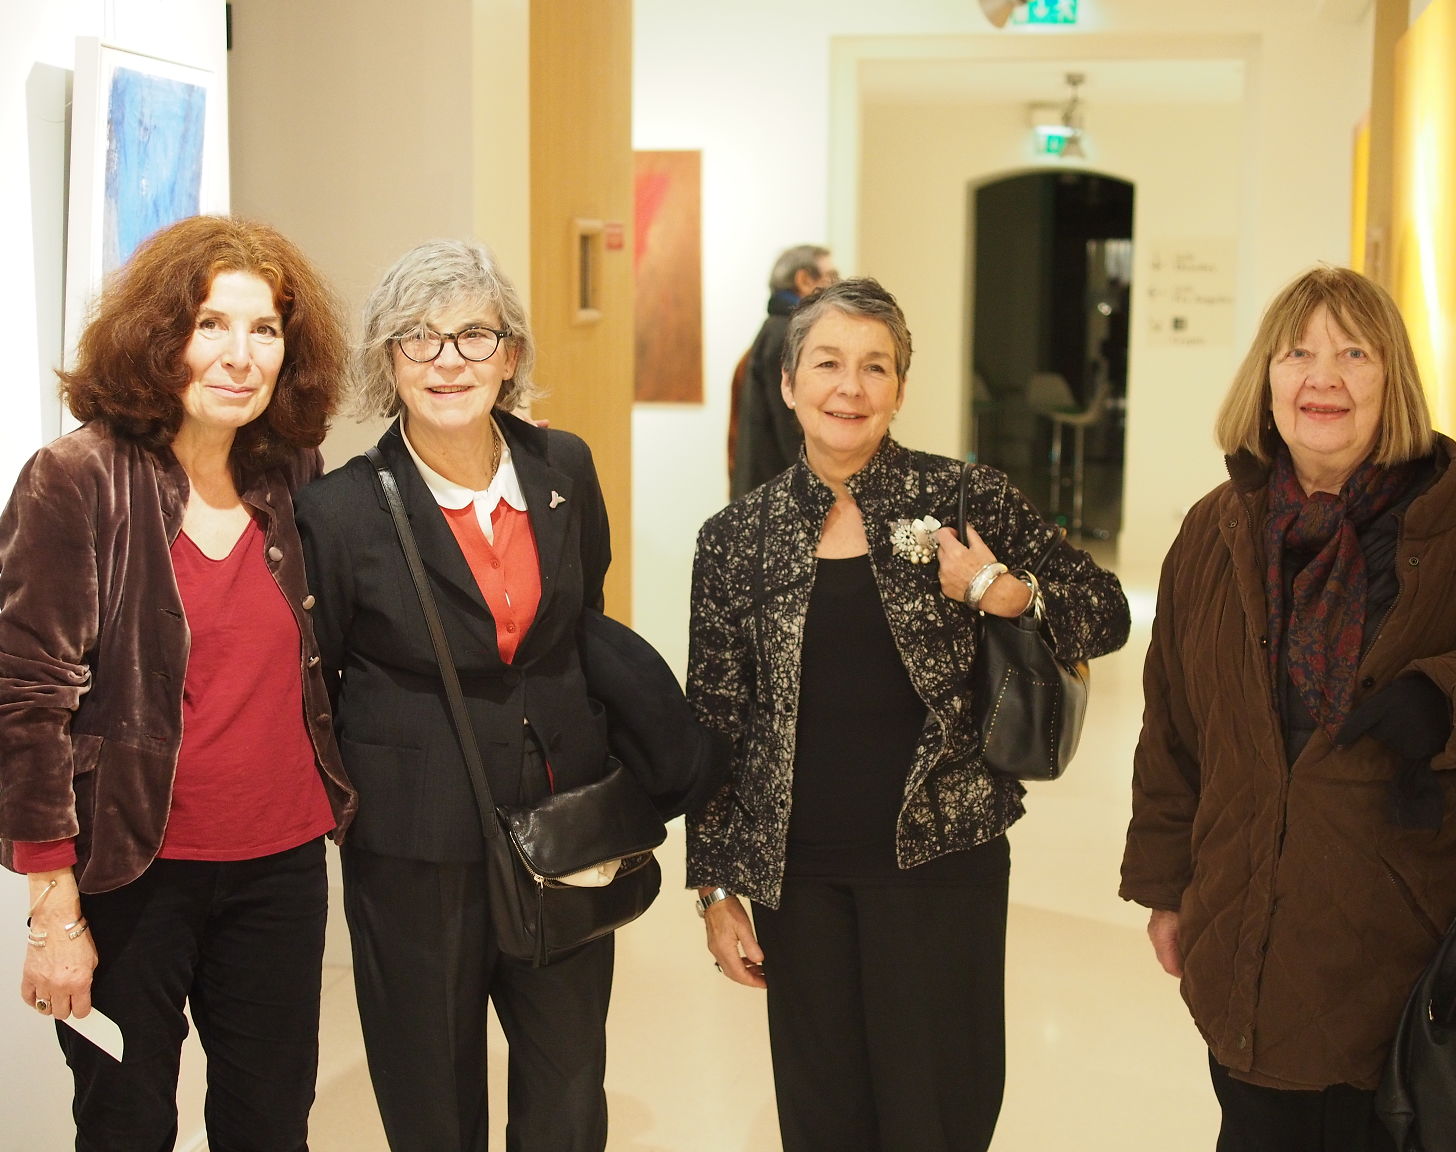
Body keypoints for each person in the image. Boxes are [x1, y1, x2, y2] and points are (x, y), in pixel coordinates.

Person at [689, 277, 1130, 1151]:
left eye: (875, 367)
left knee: (938, 1116)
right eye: (828, 364)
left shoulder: (964, 498)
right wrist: (715, 889)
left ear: (899, 388)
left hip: (942, 864)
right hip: (798, 880)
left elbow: (1106, 611)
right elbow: (714, 721)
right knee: (823, 1121)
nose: (850, 388)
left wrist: (1003, 592)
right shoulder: (737, 537)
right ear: (789, 383)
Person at [1119, 265, 1456, 1151]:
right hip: (1241, 926)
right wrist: (1165, 888)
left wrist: (1454, 701)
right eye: (1297, 353)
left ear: (1394, 378)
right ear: (1265, 377)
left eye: (1354, 353)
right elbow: (1175, 729)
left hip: (1393, 948)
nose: (1323, 378)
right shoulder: (1216, 530)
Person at [0, 214, 357, 1151]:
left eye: (264, 329)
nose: (241, 356)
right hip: (131, 869)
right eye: (211, 325)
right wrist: (51, 910)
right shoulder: (75, 479)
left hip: (280, 864)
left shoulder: (292, 473)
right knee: (125, 1126)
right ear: (161, 337)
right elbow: (26, 700)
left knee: (270, 1125)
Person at [295, 240, 615, 1152]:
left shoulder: (565, 468)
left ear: (510, 355)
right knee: (430, 1093)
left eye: (474, 335)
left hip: (561, 824)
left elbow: (585, 618)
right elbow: (320, 679)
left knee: (568, 1088)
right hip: (413, 846)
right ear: (388, 360)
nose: (448, 361)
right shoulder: (340, 511)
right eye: (419, 338)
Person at [728, 243, 838, 498]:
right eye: (832, 276)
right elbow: (791, 423)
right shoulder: (785, 335)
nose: (837, 286)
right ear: (804, 280)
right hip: (777, 494)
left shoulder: (775, 330)